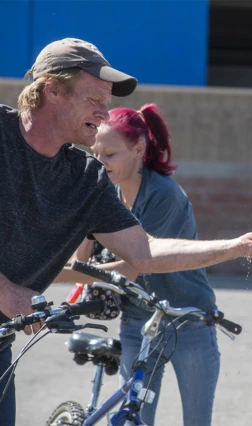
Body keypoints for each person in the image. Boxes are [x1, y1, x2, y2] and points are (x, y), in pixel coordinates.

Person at [0, 38, 252, 426]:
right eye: (94, 99)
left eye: (107, 102)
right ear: (52, 89)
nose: (104, 113)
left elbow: (144, 252)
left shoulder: (85, 178)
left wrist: (237, 247)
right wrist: (7, 291)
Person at [54, 103, 222, 425]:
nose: (100, 162)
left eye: (110, 154)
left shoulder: (164, 196)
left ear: (139, 150)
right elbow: (82, 259)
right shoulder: (105, 188)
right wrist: (86, 216)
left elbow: (135, 266)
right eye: (96, 153)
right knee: (133, 419)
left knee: (197, 421)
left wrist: (62, 275)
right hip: (137, 324)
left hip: (187, 322)